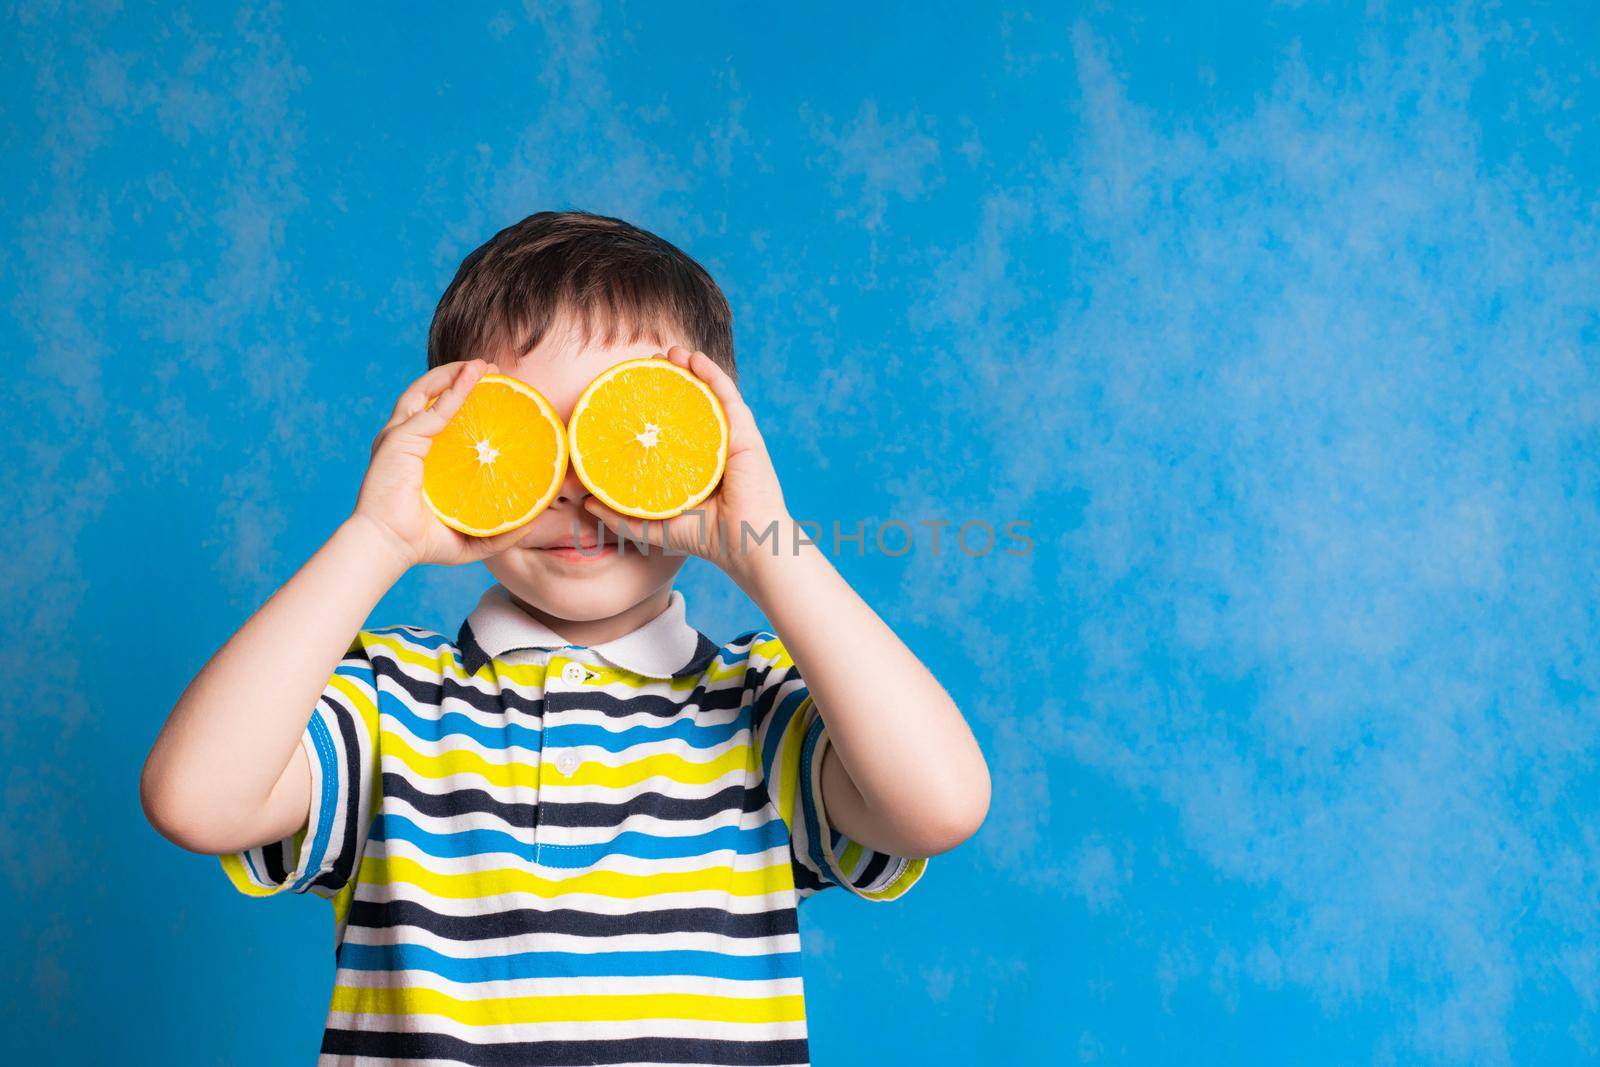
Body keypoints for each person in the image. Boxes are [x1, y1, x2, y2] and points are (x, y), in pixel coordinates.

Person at [141, 209, 991, 1066]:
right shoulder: (386, 703)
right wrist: (377, 537)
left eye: (625, 432)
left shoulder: (763, 712)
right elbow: (194, 799)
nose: (576, 490)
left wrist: (767, 545)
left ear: (707, 446)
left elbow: (942, 804)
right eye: (530, 434)